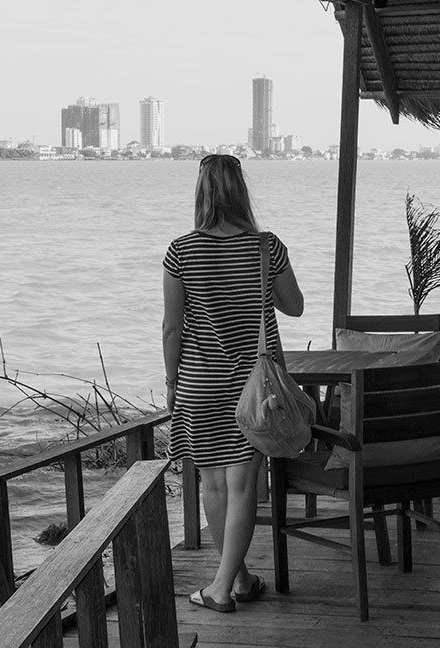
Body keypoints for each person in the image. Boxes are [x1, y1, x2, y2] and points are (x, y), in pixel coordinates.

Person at [162, 154, 304, 613]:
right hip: (255, 390)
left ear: (201, 192)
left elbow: (172, 327)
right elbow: (294, 306)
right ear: (241, 191)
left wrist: (171, 382)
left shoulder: (180, 251)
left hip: (198, 384)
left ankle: (232, 581)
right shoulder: (267, 247)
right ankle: (229, 584)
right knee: (242, 487)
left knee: (214, 486)